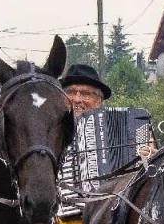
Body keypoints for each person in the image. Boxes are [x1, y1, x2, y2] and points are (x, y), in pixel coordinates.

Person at [59, 63, 155, 196]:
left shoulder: (131, 124)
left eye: (86, 93)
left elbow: (144, 181)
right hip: (65, 209)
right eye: (70, 92)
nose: (77, 99)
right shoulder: (49, 128)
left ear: (99, 101)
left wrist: (151, 159)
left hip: (112, 209)